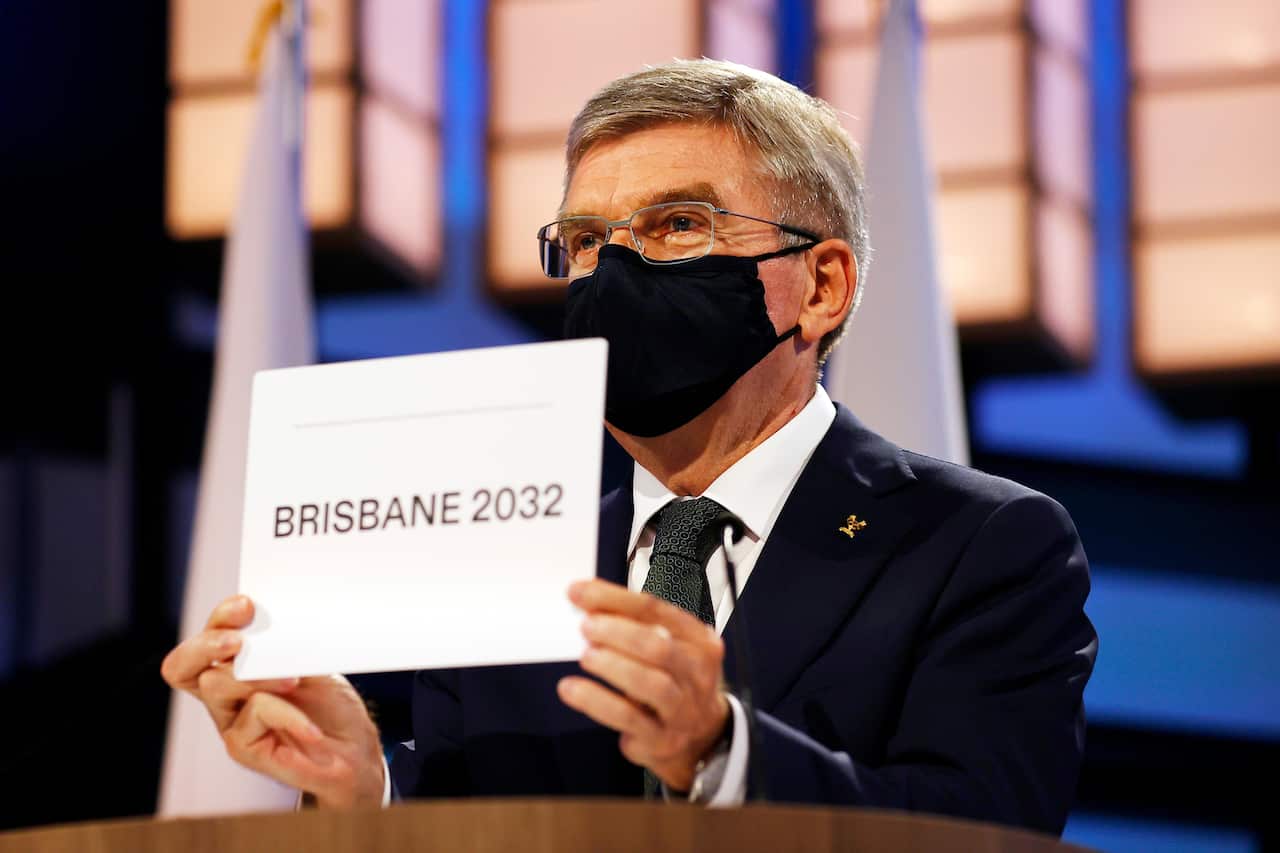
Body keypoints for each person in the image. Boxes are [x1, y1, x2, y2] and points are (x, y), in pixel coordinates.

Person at [161, 59, 1097, 835]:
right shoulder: (505, 560)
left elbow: (984, 832)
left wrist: (720, 753)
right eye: (581, 241)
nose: (611, 272)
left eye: (677, 225)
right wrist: (361, 791)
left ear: (819, 287)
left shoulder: (982, 546)